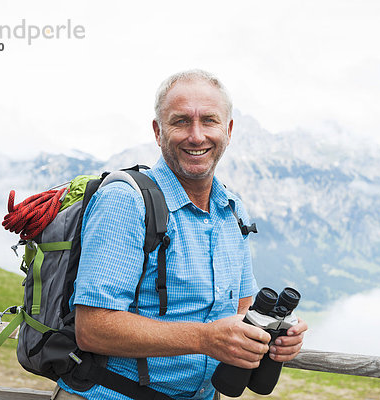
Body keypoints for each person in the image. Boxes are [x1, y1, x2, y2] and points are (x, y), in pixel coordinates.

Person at [53, 69, 307, 400]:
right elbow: (93, 329)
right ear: (158, 132)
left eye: (209, 121)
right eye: (181, 121)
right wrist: (205, 338)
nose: (196, 136)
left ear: (228, 130)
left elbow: (244, 308)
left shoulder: (232, 210)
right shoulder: (125, 201)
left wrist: (276, 334)